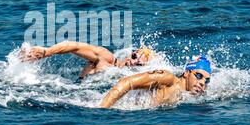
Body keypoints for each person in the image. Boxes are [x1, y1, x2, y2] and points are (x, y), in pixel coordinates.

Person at [100, 56, 212, 108]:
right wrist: (102, 111)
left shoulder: (196, 97)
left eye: (207, 80)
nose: (202, 82)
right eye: (198, 76)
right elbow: (125, 82)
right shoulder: (167, 78)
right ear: (187, 73)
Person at [20, 41, 155, 81]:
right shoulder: (107, 58)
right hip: (72, 91)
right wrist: (46, 52)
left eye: (139, 64)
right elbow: (73, 46)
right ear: (131, 53)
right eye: (134, 57)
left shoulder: (132, 79)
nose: (133, 63)